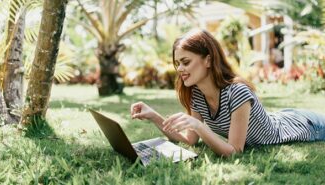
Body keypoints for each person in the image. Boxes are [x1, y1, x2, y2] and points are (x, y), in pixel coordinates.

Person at [130, 29, 325, 157]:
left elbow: (234, 151)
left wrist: (199, 125)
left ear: (207, 60)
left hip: (305, 125)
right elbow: (190, 140)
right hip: (281, 117)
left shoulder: (237, 92)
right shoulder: (197, 95)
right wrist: (153, 116)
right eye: (177, 63)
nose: (180, 69)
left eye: (186, 62)